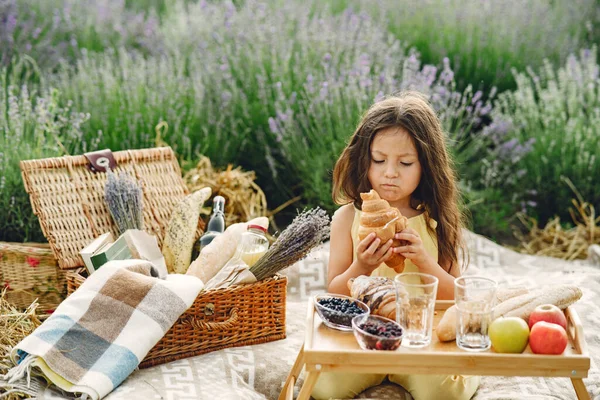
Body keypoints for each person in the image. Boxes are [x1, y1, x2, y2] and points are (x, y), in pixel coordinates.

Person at [312, 91, 479, 400]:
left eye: (404, 162)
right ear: (365, 159)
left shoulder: (436, 221)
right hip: (362, 336)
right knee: (326, 388)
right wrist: (361, 267)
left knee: (443, 393)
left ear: (426, 166)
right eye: (379, 160)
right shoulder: (348, 218)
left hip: (420, 339)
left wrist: (425, 261)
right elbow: (333, 295)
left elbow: (456, 297)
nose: (390, 173)